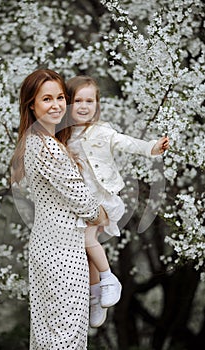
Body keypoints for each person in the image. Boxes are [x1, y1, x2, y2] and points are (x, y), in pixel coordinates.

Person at [59, 75, 169, 328]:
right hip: (78, 203)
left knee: (88, 239)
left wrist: (152, 147)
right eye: (78, 101)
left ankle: (109, 279)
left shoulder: (102, 131)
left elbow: (128, 143)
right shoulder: (63, 136)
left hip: (102, 200)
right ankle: (95, 297)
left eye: (90, 101)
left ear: (97, 105)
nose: (84, 106)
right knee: (85, 252)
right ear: (68, 104)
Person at [11, 69, 108, 349]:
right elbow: (86, 204)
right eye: (47, 99)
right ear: (32, 104)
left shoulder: (35, 141)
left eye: (61, 98)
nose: (56, 105)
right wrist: (101, 214)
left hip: (49, 247)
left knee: (48, 334)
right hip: (62, 255)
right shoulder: (48, 148)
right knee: (65, 336)